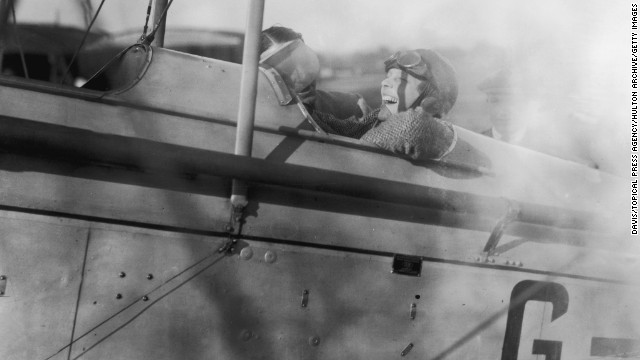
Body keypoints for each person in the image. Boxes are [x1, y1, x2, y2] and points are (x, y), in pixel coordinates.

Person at [311, 49, 459, 160]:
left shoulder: (430, 130)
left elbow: (412, 126)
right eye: (388, 77)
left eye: (401, 81)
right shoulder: (375, 122)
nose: (385, 83)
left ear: (431, 104)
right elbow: (337, 126)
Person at [478, 68, 599, 168]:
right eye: (495, 101)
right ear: (487, 103)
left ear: (528, 104)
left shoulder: (550, 151)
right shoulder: (475, 145)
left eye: (513, 102)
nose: (504, 111)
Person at [260, 25, 370, 120]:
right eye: (287, 69)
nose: (302, 75)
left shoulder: (355, 106)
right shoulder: (256, 123)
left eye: (303, 61)